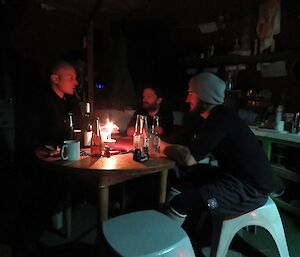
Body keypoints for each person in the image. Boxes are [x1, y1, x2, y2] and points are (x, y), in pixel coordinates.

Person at [161, 72, 273, 227]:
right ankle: (171, 221)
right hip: (232, 176)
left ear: (204, 96)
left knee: (182, 202)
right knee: (186, 179)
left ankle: (165, 239)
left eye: (191, 94)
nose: (187, 99)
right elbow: (184, 142)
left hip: (250, 188)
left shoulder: (221, 118)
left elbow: (188, 158)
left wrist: (159, 146)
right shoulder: (207, 117)